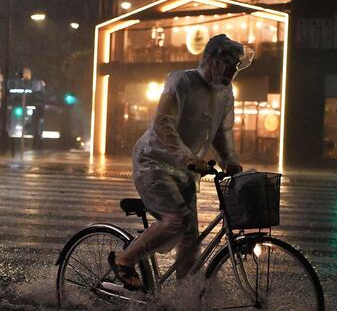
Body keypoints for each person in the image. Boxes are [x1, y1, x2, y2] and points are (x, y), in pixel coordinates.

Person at [108, 34, 254, 290]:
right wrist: (186, 156)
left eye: (236, 64)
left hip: (185, 169)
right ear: (210, 60)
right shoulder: (182, 81)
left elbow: (222, 131)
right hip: (153, 161)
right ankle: (125, 259)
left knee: (191, 239)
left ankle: (183, 298)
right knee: (177, 220)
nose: (233, 68)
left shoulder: (225, 93)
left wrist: (230, 159)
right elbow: (162, 122)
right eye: (228, 62)